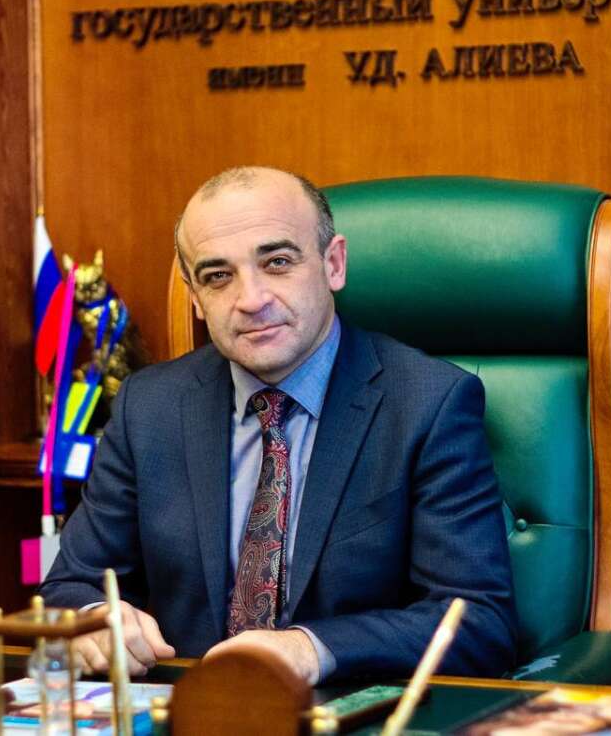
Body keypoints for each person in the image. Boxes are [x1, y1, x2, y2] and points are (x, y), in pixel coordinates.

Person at [41, 166, 517, 684]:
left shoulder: (427, 403)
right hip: (187, 708)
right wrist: (95, 619)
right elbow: (70, 586)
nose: (251, 299)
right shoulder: (149, 406)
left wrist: (310, 650)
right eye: (218, 276)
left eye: (278, 262)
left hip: (347, 710)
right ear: (195, 297)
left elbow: (477, 622)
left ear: (333, 264)